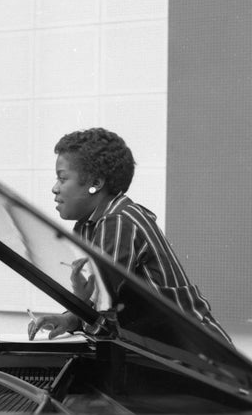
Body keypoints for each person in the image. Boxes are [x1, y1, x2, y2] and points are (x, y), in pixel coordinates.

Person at [27, 128, 232, 345]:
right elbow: (104, 302)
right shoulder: (89, 225)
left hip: (197, 357)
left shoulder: (117, 222)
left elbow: (107, 316)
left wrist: (81, 300)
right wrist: (70, 318)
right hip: (174, 352)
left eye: (62, 178)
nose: (54, 188)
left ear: (96, 183)